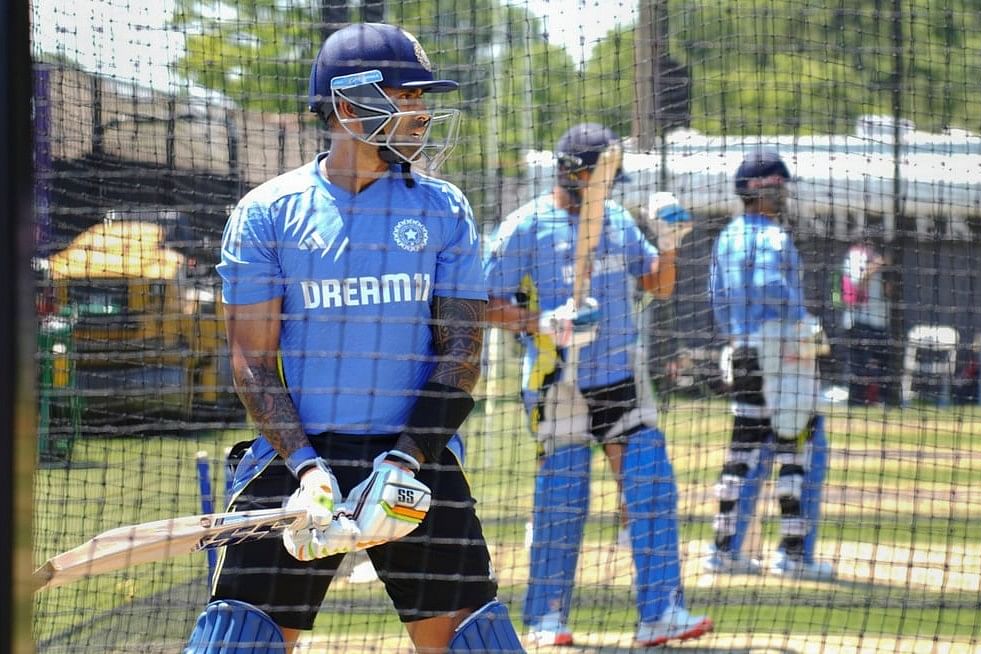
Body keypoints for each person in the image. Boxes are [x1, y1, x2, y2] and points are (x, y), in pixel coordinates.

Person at [183, 23, 522, 653]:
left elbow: (461, 351)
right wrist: (308, 472)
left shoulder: (444, 208)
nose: (421, 113)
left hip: (412, 457)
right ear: (348, 105)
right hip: (298, 460)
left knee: (478, 644)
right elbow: (252, 362)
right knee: (235, 642)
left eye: (423, 97)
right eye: (407, 95)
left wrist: (404, 461)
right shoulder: (268, 211)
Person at [483, 123, 712, 648]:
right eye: (603, 175)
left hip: (619, 374)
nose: (609, 186)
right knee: (565, 495)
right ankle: (545, 617)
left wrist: (669, 246)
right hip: (556, 380)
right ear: (574, 173)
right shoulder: (525, 227)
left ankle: (662, 613)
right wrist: (544, 322)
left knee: (652, 484)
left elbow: (657, 283)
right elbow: (484, 304)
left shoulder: (614, 220)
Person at [701, 149, 835, 581]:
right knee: (799, 449)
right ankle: (793, 554)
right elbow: (770, 284)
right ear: (763, 191)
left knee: (741, 452)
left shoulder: (727, 237)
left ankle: (723, 549)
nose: (785, 196)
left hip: (742, 352)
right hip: (780, 352)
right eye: (780, 188)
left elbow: (717, 299)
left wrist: (737, 338)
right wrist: (803, 323)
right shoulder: (774, 237)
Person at [841, 234, 893, 406]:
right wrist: (876, 265)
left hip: (879, 320)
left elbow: (887, 290)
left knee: (884, 361)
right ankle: (856, 403)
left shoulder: (876, 256)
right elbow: (858, 283)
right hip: (859, 319)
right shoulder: (856, 255)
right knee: (859, 366)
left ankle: (883, 401)